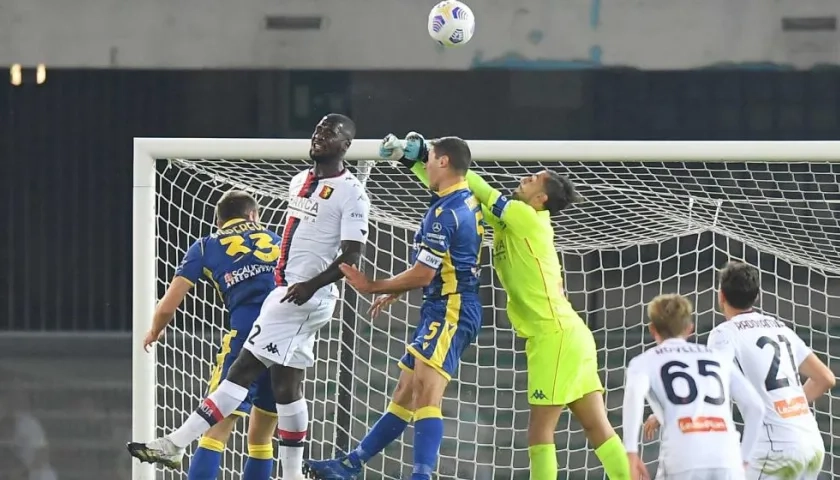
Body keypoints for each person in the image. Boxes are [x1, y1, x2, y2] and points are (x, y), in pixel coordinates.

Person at [127, 113, 371, 480]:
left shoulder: (352, 192)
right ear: (253, 215)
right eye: (318, 128)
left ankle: (175, 443)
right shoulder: (299, 181)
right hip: (285, 291)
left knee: (240, 373)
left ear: (346, 145)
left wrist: (310, 285)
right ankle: (291, 475)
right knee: (287, 388)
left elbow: (352, 256)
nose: (320, 135)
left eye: (331, 132)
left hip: (300, 297)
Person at [381, 132, 631, 479]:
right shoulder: (514, 221)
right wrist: (416, 164)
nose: (524, 179)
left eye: (533, 180)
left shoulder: (526, 217)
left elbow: (475, 185)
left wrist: (425, 151)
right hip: (571, 334)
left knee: (540, 431)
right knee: (595, 426)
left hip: (553, 337)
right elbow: (454, 186)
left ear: (541, 198)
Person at [305, 137, 484, 480]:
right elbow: (440, 265)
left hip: (452, 309)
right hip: (442, 305)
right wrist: (399, 290)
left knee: (427, 394)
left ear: (444, 162)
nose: (426, 165)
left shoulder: (446, 213)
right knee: (405, 392)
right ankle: (350, 465)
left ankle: (421, 475)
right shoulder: (463, 199)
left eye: (430, 159)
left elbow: (425, 272)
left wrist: (373, 285)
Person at [137, 189, 282, 480]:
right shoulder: (279, 240)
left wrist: (155, 329)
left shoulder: (205, 246)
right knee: (262, 436)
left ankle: (177, 447)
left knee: (216, 427)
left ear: (219, 221)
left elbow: (168, 304)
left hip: (245, 338)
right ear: (253, 216)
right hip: (286, 336)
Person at [673, 262, 831, 479]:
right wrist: (786, 408)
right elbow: (825, 378)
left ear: (721, 296)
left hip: (775, 450)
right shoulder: (779, 327)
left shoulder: (724, 334)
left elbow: (712, 383)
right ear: (756, 296)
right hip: (812, 446)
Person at [623, 293, 765, 480]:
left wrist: (631, 452)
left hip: (684, 457)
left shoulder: (644, 362)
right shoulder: (717, 357)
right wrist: (744, 459)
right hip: (727, 458)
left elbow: (633, 398)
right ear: (690, 328)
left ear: (652, 329)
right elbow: (756, 407)